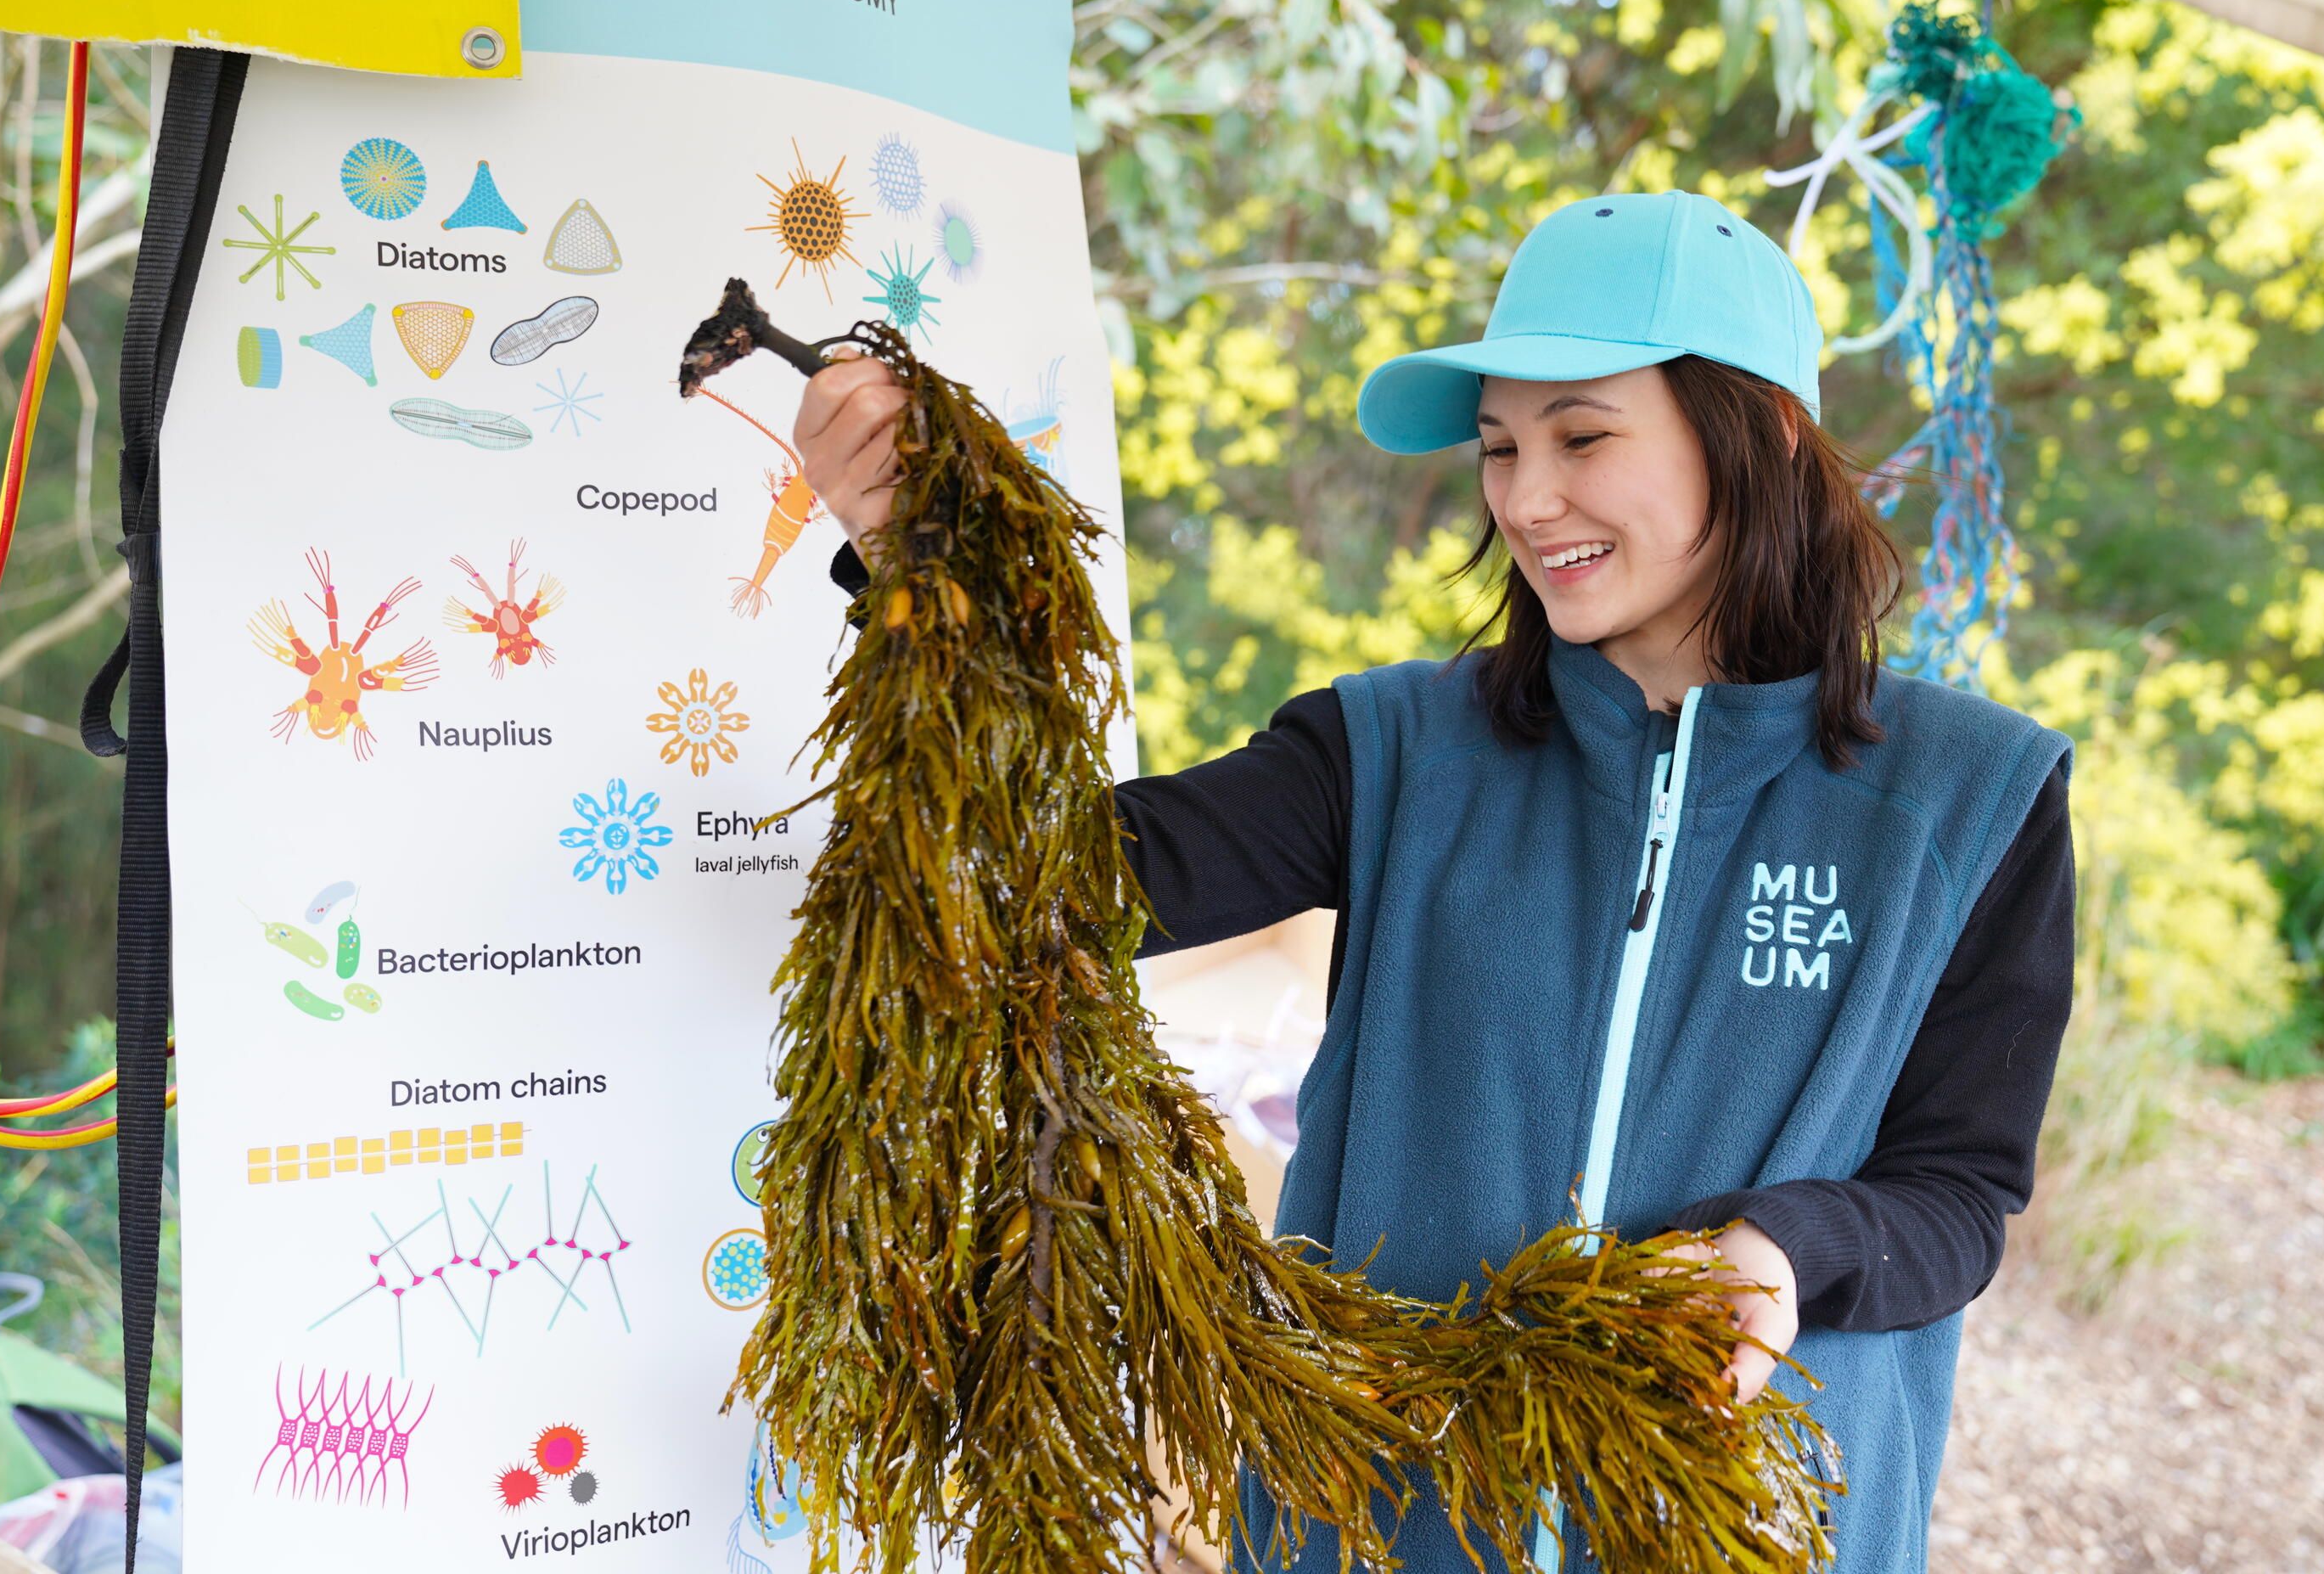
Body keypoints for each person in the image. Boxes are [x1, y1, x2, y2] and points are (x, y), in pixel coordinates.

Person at [794, 188, 2077, 1574]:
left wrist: (1788, 1248)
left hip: (1753, 1531)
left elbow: (1958, 1192)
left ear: (1753, 431)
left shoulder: (1970, 799)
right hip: (1378, 1528)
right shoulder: (1394, 748)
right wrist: (923, 561)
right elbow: (1034, 884)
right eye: (1500, 447)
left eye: (1584, 435)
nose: (1527, 499)